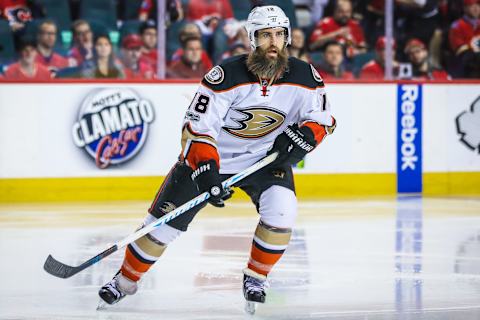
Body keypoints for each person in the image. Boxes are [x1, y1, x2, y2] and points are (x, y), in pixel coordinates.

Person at [98, 5, 336, 310]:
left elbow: (323, 118)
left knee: (282, 210)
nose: (273, 42)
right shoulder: (224, 76)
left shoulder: (306, 77)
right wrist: (207, 170)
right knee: (160, 228)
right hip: (211, 160)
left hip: (264, 161)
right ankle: (124, 281)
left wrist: (307, 136)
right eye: (265, 35)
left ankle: (257, 277)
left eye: (279, 34)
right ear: (252, 38)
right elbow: (196, 127)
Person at [448, 0, 480, 78]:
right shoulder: (457, 26)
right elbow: (460, 50)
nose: (476, 8)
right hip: (466, 66)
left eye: (478, 5)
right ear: (465, 8)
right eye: (472, 5)